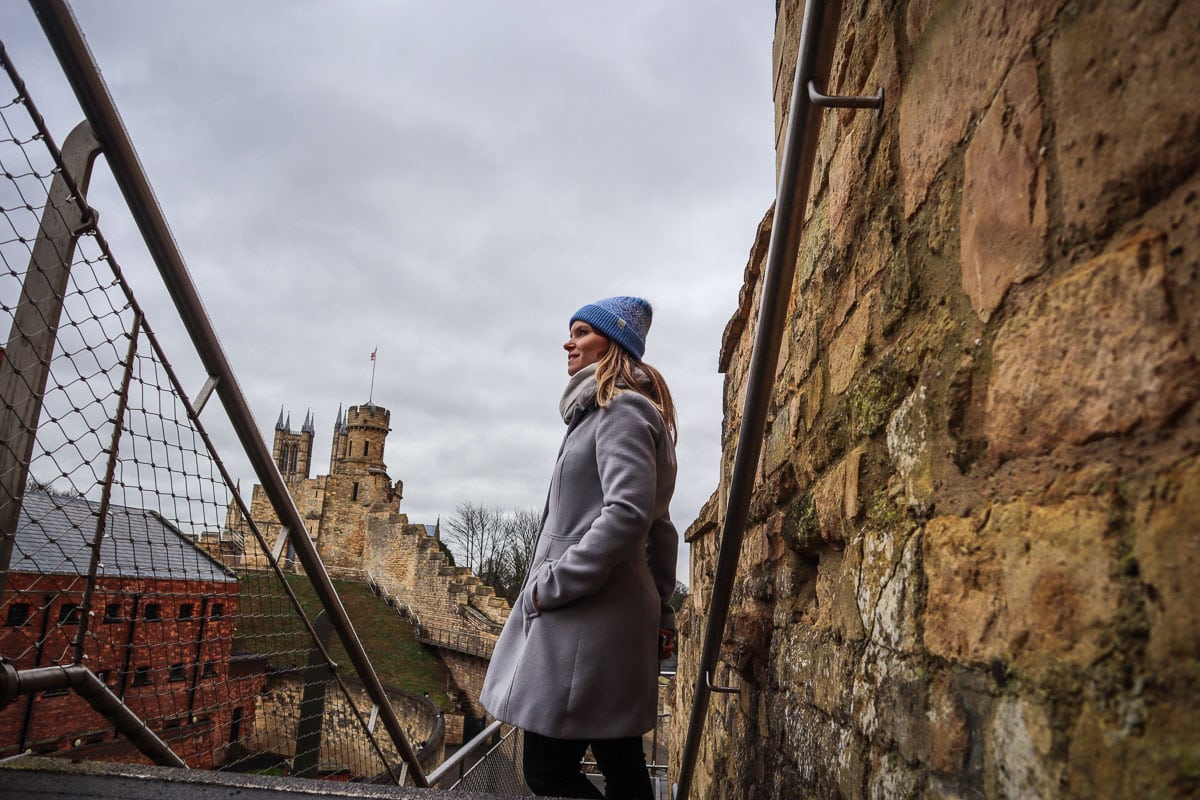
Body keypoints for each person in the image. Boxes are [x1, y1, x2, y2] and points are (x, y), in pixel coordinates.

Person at [480, 295, 679, 800]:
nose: (569, 342)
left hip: (585, 615)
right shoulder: (599, 414)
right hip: (608, 617)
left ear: (611, 343)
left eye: (582, 332)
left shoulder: (621, 410)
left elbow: (631, 514)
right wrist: (662, 613)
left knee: (548, 773)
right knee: (623, 765)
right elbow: (660, 530)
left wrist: (554, 585)